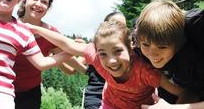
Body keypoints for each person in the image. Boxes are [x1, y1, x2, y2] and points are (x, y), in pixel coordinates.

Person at [26, 19, 184, 109]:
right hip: (110, 105)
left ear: (130, 49)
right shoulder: (96, 58)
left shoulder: (145, 72)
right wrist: (36, 29)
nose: (111, 61)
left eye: (118, 51)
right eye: (103, 53)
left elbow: (181, 92)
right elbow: (68, 44)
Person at [14, 0, 87, 109]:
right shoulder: (10, 26)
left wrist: (78, 50)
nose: (38, 4)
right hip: (2, 88)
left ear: (48, 8)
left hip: (30, 94)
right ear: (24, 1)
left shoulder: (52, 35)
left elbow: (70, 70)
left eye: (44, 2)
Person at [134, 0, 204, 109]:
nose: (152, 54)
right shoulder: (140, 42)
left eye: (162, 47)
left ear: (178, 45)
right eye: (146, 44)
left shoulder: (197, 31)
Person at [83, 11, 126, 109]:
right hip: (96, 96)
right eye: (116, 24)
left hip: (115, 100)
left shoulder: (126, 50)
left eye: (123, 26)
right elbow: (71, 69)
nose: (119, 29)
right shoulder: (93, 47)